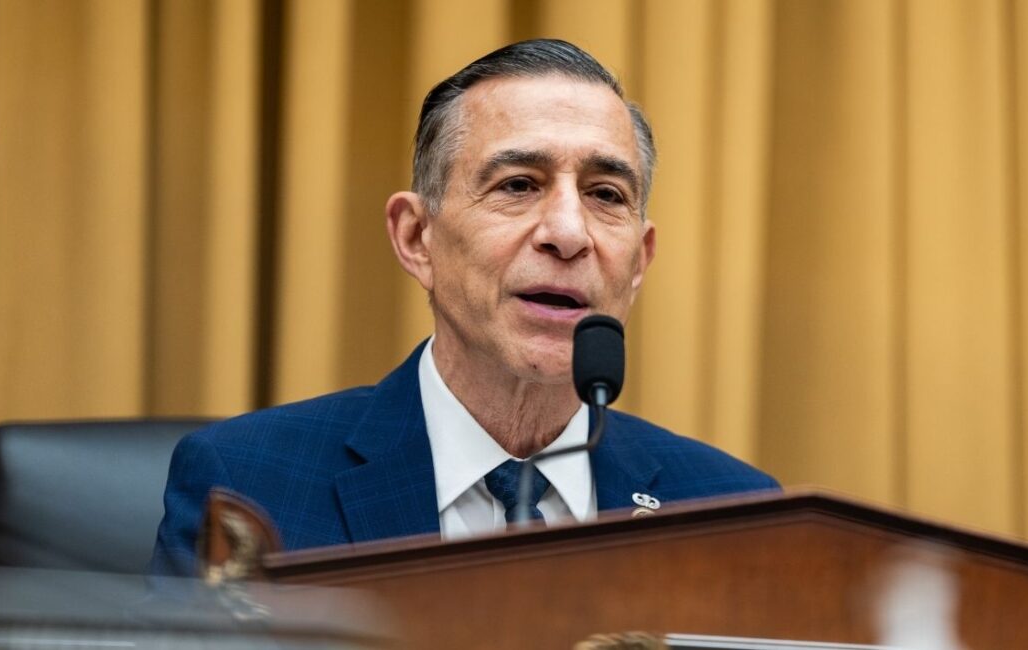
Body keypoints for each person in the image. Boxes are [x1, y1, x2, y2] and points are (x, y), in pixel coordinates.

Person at [150, 39, 777, 577]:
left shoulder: (734, 513)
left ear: (638, 261)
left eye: (605, 194)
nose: (568, 232)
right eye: (518, 185)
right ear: (417, 238)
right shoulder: (249, 485)